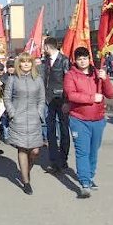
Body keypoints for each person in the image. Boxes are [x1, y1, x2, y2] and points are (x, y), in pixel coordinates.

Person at [63, 47, 113, 198]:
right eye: (79, 59)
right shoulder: (70, 75)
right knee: (82, 151)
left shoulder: (97, 74)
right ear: (75, 60)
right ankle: (84, 183)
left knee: (94, 151)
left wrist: (105, 79)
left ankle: (90, 176)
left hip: (98, 120)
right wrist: (92, 98)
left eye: (85, 58)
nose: (82, 61)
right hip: (79, 120)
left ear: (89, 59)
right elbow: (71, 95)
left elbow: (111, 94)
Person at [3, 52, 45, 195]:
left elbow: (41, 98)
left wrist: (39, 113)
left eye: (28, 61)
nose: (26, 64)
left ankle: (26, 170)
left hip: (34, 119)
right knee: (22, 149)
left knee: (35, 151)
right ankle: (26, 182)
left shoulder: (38, 79)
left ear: (32, 64)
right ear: (19, 64)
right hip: (18, 119)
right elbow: (7, 98)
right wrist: (12, 113)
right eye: (23, 61)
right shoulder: (13, 79)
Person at [42, 36, 71, 173]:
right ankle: (53, 160)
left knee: (64, 129)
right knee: (50, 130)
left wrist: (67, 101)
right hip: (49, 99)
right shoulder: (46, 61)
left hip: (61, 99)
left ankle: (63, 158)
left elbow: (68, 82)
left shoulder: (64, 60)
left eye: (44, 47)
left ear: (47, 46)